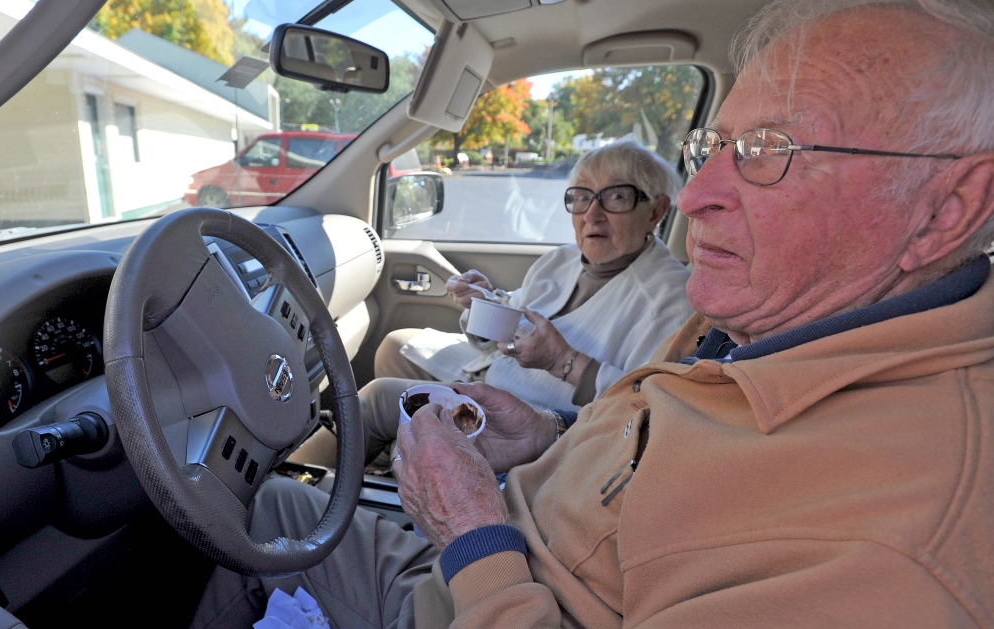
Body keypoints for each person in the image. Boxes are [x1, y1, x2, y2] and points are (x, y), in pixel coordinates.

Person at [193, 1, 994, 627]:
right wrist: (546, 439)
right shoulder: (762, 319)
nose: (702, 197)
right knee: (276, 498)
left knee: (246, 512)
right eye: (713, 149)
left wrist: (470, 527)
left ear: (948, 208)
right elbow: (659, 449)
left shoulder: (899, 552)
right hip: (513, 532)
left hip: (470, 586)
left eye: (771, 152)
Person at [298, 141, 692, 467]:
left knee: (382, 396)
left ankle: (298, 480)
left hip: (541, 418)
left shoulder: (670, 301)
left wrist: (564, 363)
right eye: (582, 197)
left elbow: (644, 412)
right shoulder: (562, 260)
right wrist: (483, 305)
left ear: (656, 210)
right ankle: (408, 458)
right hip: (491, 376)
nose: (592, 214)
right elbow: (503, 337)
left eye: (616, 197)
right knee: (397, 345)